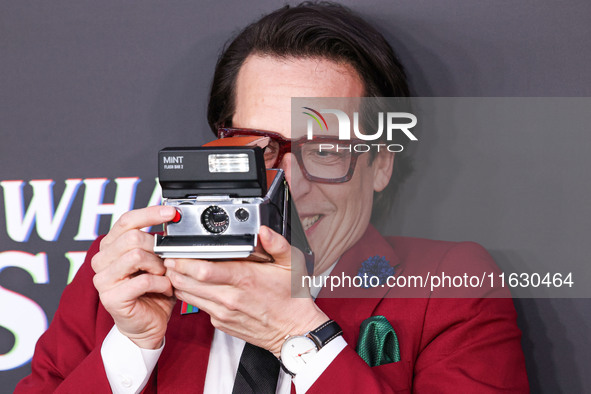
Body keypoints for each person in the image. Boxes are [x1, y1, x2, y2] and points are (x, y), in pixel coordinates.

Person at [16, 2, 529, 393]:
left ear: (380, 164)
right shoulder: (125, 276)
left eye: (326, 150)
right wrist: (130, 349)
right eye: (259, 148)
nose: (289, 181)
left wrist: (300, 338)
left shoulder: (446, 287)